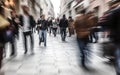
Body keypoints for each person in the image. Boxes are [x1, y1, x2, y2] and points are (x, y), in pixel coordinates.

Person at [97, 1, 120, 75]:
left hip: (117, 38)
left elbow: (109, 24)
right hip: (117, 37)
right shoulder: (114, 11)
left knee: (118, 55)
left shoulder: (114, 11)